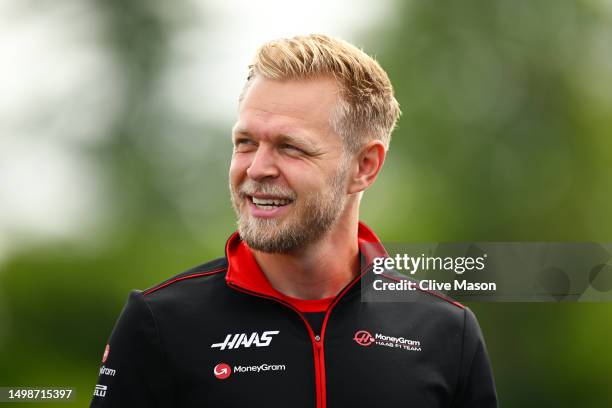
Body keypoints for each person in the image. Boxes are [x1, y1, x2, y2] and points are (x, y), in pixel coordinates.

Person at [89, 34, 497, 407]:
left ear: (365, 166)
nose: (257, 169)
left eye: (291, 147)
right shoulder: (160, 323)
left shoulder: (447, 332)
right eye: (245, 143)